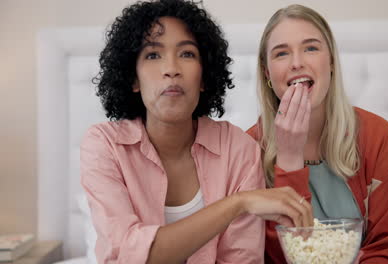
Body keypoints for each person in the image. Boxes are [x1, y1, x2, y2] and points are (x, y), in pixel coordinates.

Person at [80, 1, 313, 263]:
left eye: (187, 54)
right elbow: (126, 254)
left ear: (203, 77)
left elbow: (241, 260)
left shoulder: (238, 148)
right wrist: (237, 203)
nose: (172, 69)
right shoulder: (105, 145)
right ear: (133, 78)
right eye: (153, 55)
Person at [246, 4, 388, 264]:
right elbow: (278, 258)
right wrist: (289, 158)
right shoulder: (248, 149)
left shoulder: (378, 137)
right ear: (267, 72)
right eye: (282, 53)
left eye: (311, 48)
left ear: (330, 61)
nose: (297, 63)